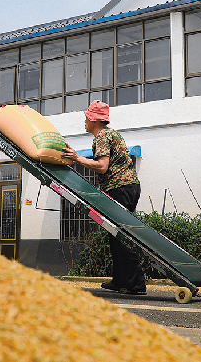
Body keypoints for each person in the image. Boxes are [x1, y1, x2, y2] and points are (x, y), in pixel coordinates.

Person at [62, 100, 147, 295]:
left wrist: (77, 158)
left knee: (123, 237)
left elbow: (102, 166)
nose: (84, 120)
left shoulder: (102, 136)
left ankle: (136, 285)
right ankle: (120, 280)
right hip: (127, 186)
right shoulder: (110, 134)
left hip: (120, 188)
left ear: (93, 119)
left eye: (86, 117)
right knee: (115, 236)